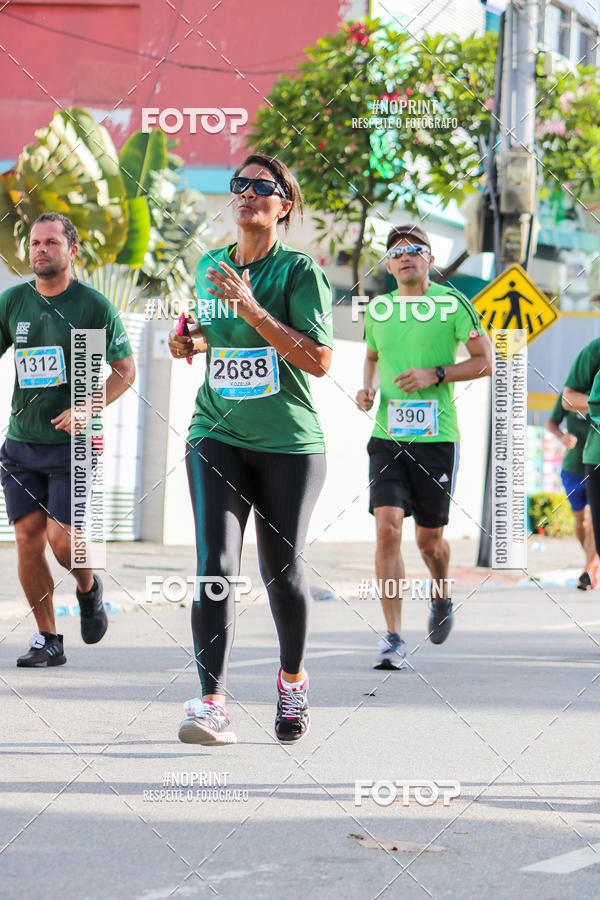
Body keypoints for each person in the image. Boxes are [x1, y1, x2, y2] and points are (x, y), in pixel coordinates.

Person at [168, 154, 333, 746]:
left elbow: (318, 360)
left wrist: (255, 311)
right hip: (216, 432)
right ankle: (211, 703)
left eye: (262, 188)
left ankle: (291, 680)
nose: (246, 194)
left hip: (289, 443)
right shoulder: (210, 265)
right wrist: (186, 340)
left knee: (281, 573)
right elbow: (205, 334)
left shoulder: (298, 272)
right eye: (238, 184)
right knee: (216, 565)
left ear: (283, 205)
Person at [0, 213, 135, 667]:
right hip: (21, 443)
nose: (41, 249)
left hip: (75, 447)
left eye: (52, 242)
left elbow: (125, 371)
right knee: (27, 539)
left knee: (63, 541)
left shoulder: (92, 307)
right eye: (36, 243)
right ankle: (47, 640)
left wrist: (87, 408)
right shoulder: (14, 302)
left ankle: (87, 587)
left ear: (72, 250)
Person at [356, 223, 492, 669]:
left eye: (416, 249)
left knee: (430, 541)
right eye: (396, 251)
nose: (406, 256)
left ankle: (441, 594)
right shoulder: (378, 310)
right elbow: (373, 355)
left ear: (429, 259)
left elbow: (484, 362)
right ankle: (393, 636)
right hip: (387, 437)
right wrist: (367, 388)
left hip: (437, 439)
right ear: (389, 264)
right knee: (387, 527)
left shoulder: (454, 305)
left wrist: (436, 373)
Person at [546, 392, 595, 589]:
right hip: (573, 468)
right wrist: (562, 436)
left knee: (593, 519)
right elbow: (551, 423)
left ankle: (589, 569)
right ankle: (591, 562)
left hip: (595, 465)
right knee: (580, 521)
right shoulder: (569, 395)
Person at [563, 339, 600, 585]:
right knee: (583, 521)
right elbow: (567, 400)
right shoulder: (594, 352)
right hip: (590, 459)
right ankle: (590, 565)